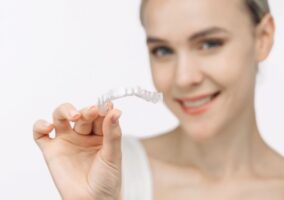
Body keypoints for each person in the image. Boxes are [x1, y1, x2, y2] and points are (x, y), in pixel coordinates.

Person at [33, 0, 284, 199]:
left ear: (263, 38)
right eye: (163, 51)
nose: (183, 78)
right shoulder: (112, 172)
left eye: (209, 44)